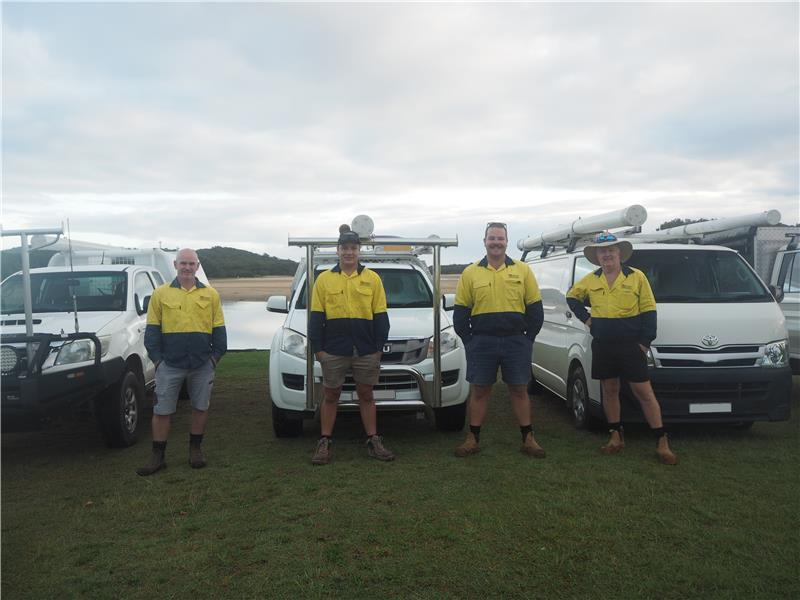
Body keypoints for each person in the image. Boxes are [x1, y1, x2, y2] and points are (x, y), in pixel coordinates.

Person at [566, 232, 678, 465]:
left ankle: (662, 441)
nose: (607, 255)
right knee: (609, 390)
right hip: (604, 345)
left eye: (611, 250)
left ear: (619, 253)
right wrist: (587, 320)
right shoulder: (591, 280)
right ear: (597, 256)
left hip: (631, 346)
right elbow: (572, 298)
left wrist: (644, 342)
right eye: (602, 251)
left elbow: (649, 311)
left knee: (644, 393)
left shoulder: (636, 277)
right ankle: (615, 436)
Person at [453, 222, 546, 458]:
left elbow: (535, 309)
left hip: (516, 342)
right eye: (492, 238)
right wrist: (469, 341)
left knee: (519, 389)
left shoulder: (522, 270)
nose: (496, 242)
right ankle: (472, 438)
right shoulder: (470, 272)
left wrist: (528, 339)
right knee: (480, 390)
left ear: (506, 241)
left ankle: (528, 438)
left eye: (500, 238)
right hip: (482, 342)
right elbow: (461, 312)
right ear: (484, 241)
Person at [308, 225, 394, 465]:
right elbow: (315, 320)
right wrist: (319, 351)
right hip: (334, 350)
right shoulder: (324, 280)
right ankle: (325, 441)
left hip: (366, 349)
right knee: (331, 394)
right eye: (344, 248)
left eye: (353, 248)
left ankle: (373, 440)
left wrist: (378, 348)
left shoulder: (372, 279)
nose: (349, 252)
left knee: (366, 394)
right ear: (337, 250)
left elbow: (381, 319)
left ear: (359, 250)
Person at [136, 248, 227, 476]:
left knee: (200, 407)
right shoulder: (161, 294)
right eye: (183, 263)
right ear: (176, 265)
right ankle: (158, 456)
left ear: (197, 266)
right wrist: (158, 361)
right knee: (162, 411)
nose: (187, 267)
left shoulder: (211, 294)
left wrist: (214, 359)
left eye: (191, 264)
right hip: (170, 365)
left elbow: (219, 331)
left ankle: (195, 450)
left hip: (202, 365)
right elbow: (152, 333)